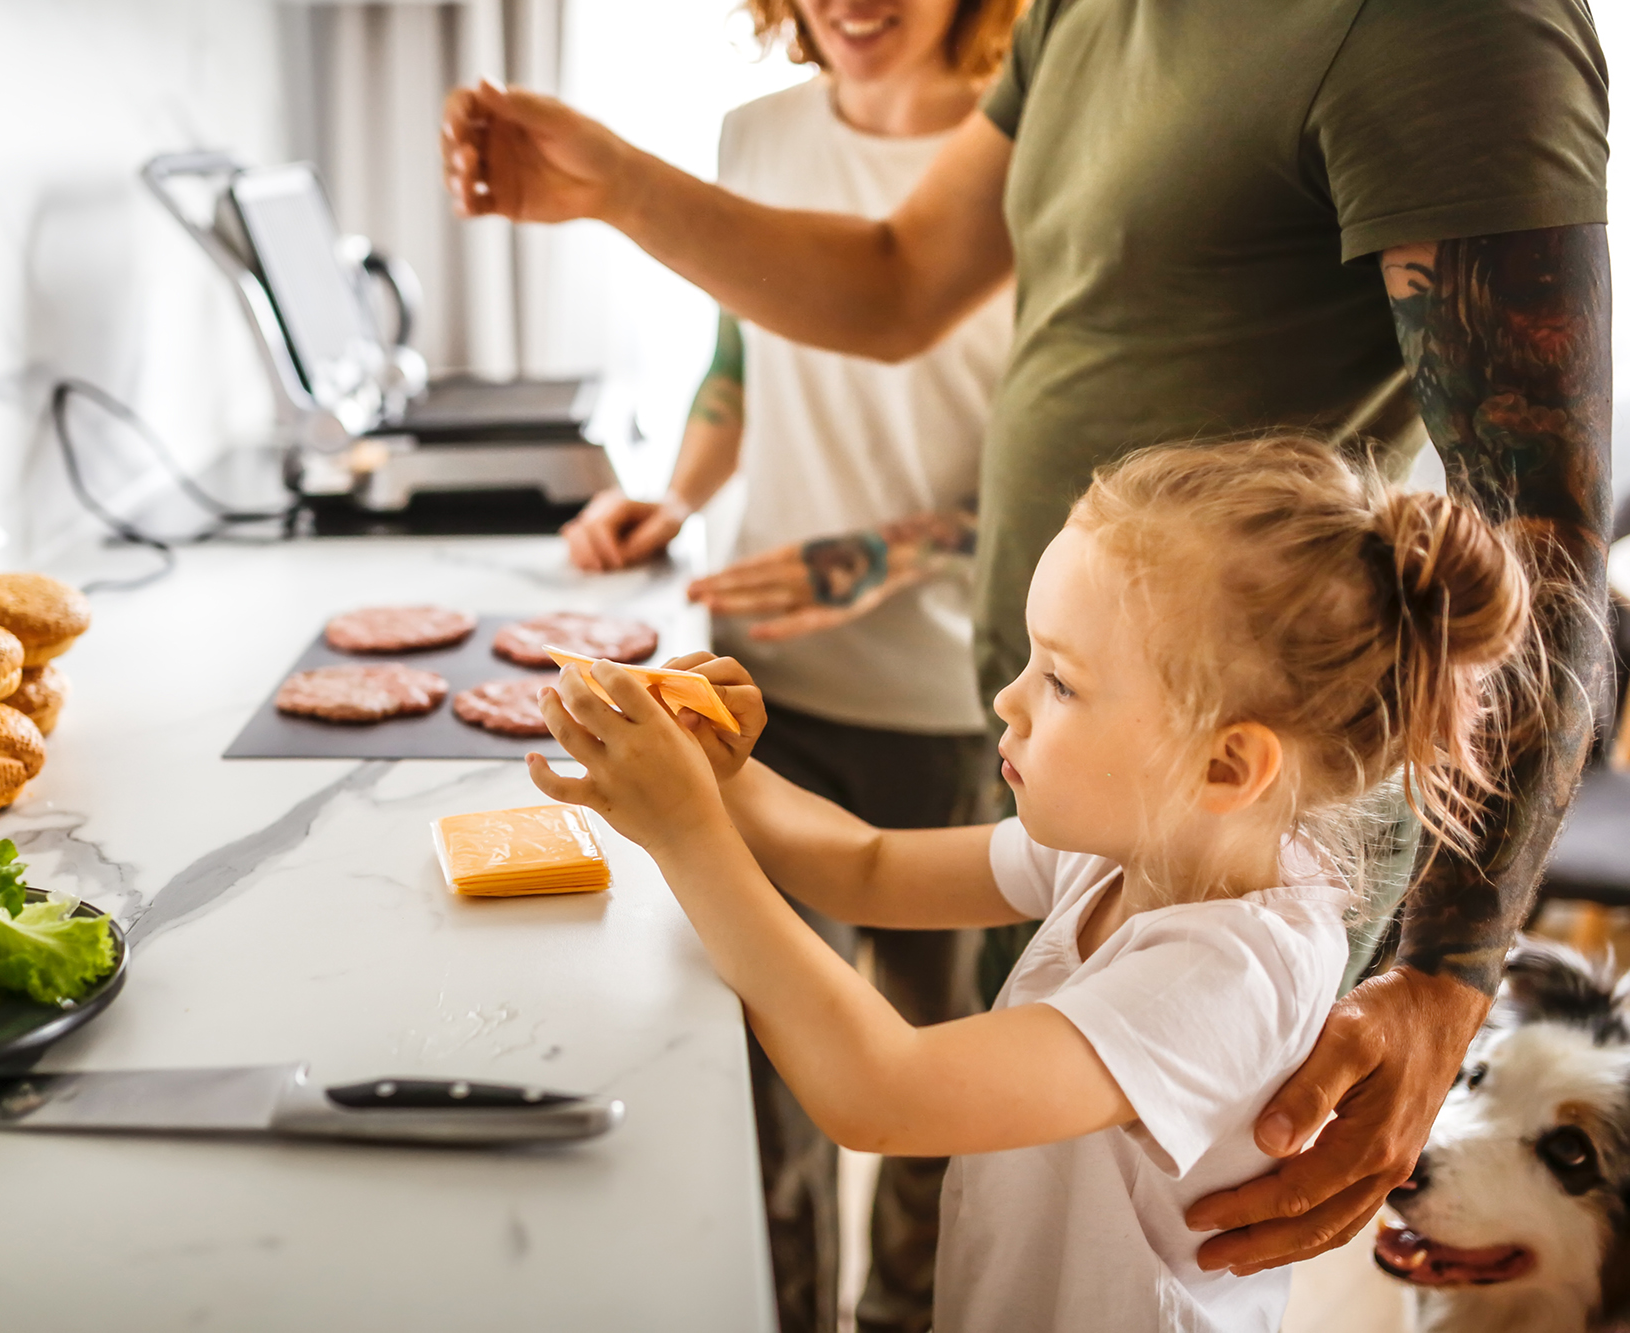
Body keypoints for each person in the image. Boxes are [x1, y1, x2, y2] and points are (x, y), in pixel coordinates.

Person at [442, 0, 1612, 1273]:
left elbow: (1544, 555)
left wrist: (1446, 977)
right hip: (1120, 764)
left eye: (1039, 679)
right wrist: (723, 779)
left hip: (1181, 763)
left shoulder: (1440, 26)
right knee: (994, 1187)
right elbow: (897, 281)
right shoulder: (1104, 862)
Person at [528, 435, 1542, 1331]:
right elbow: (866, 864)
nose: (1009, 700)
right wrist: (726, 777)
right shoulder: (1132, 845)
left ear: (1224, 767)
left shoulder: (1225, 976)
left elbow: (881, 1094)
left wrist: (689, 837)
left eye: (1059, 680)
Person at [556, 2, 1017, 1327]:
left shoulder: (1029, 155)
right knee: (765, 1078)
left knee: (941, 1081)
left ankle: (903, 1314)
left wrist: (882, 554)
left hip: (959, 711)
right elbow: (736, 364)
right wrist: (675, 494)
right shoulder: (753, 136)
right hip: (758, 700)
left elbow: (1076, 459)